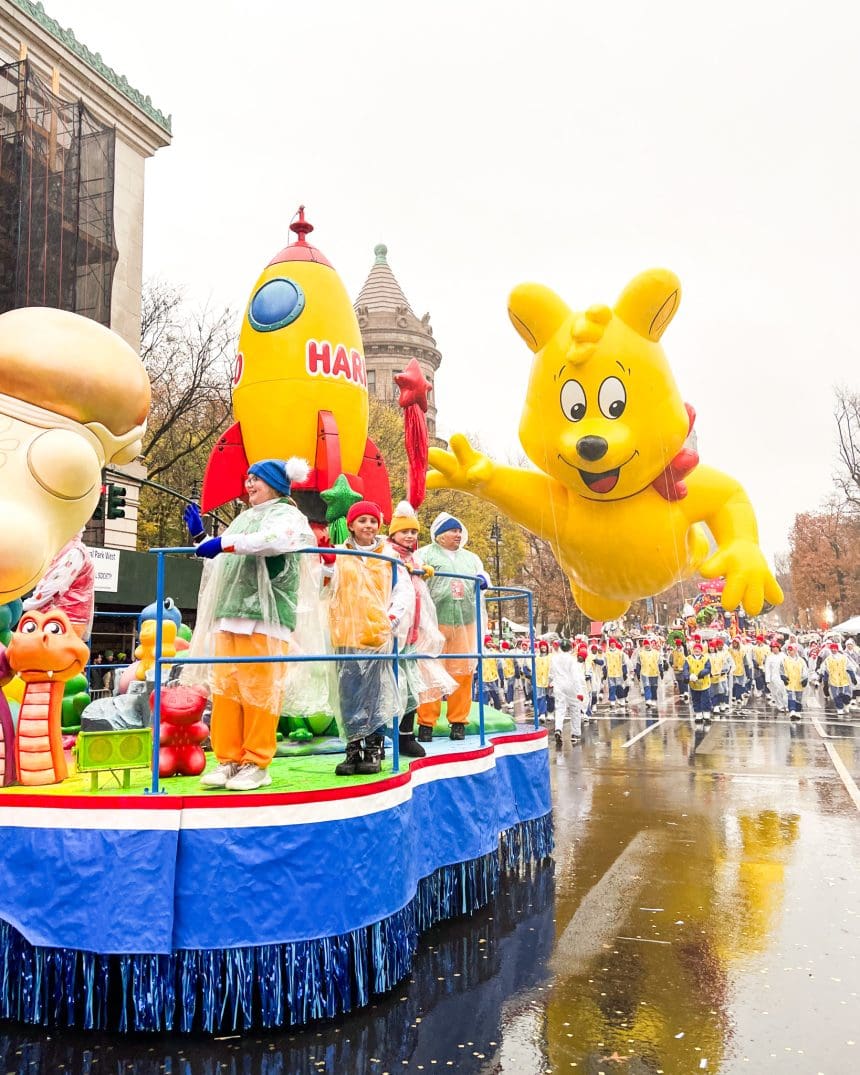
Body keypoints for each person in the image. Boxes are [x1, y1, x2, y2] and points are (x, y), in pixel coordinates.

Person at [183, 458, 318, 791]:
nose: (249, 484)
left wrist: (223, 542)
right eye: (248, 478)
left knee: (259, 693)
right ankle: (228, 759)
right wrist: (202, 537)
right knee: (226, 692)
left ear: (274, 483)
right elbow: (223, 560)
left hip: (265, 619)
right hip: (231, 615)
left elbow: (274, 541)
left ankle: (257, 762)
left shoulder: (288, 515)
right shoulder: (245, 518)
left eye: (256, 478)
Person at [328, 500, 413, 775]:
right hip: (346, 635)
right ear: (351, 525)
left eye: (373, 521)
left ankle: (374, 748)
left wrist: (392, 619)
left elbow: (403, 590)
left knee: (375, 695)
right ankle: (353, 749)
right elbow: (324, 581)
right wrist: (325, 563)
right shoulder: (339, 553)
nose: (368, 525)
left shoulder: (388, 555)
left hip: (375, 635)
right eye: (362, 520)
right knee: (348, 695)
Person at [384, 501, 454, 757]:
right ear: (394, 533)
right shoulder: (387, 553)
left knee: (411, 688)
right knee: (389, 687)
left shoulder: (412, 556)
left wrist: (422, 570)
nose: (410, 536)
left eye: (414, 532)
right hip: (392, 631)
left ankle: (405, 736)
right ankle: (378, 739)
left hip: (411, 632)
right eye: (405, 532)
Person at [416, 514, 490, 742]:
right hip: (434, 623)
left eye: (459, 530)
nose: (458, 534)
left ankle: (458, 721)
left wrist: (484, 579)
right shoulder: (425, 554)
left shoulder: (471, 558)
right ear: (439, 535)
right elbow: (415, 578)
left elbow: (484, 577)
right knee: (429, 672)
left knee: (463, 672)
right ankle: (426, 723)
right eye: (452, 530)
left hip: (465, 622)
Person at [550, 639, 587, 743]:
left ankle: (558, 728)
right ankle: (575, 734)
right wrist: (579, 691)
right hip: (570, 685)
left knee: (560, 708)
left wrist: (552, 682)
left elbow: (551, 672)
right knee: (574, 708)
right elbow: (576, 676)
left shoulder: (554, 658)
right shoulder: (572, 659)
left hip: (558, 685)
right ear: (570, 648)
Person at [820, 642, 856, 717]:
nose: (833, 650)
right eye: (832, 648)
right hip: (833, 681)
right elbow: (825, 670)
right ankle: (840, 708)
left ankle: (846, 703)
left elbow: (849, 667)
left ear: (837, 649)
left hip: (844, 680)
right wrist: (825, 679)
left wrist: (853, 677)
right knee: (836, 695)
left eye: (835, 648)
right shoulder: (828, 659)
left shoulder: (843, 658)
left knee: (846, 695)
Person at [779, 642, 808, 719]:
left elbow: (804, 670)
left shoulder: (801, 661)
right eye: (788, 650)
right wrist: (783, 676)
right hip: (789, 681)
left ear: (795, 651)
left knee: (799, 698)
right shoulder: (785, 660)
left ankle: (798, 711)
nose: (789, 652)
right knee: (790, 696)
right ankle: (792, 710)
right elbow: (781, 669)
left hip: (799, 682)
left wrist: (805, 679)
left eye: (791, 650)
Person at [684, 642, 712, 722]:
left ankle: (706, 713)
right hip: (693, 683)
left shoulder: (706, 658)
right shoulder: (688, 658)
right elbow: (685, 669)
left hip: (704, 683)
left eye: (699, 649)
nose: (697, 650)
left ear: (701, 650)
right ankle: (698, 713)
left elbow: (708, 669)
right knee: (696, 699)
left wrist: (700, 674)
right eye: (695, 649)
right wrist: (687, 676)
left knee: (706, 699)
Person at [636, 638, 661, 709]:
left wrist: (661, 670)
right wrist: (637, 671)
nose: (646, 646)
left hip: (654, 672)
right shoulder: (640, 653)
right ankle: (648, 700)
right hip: (645, 672)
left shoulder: (656, 653)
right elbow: (638, 663)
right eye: (645, 644)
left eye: (648, 644)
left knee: (654, 687)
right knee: (646, 686)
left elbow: (659, 662)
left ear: (650, 645)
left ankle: (654, 699)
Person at [671, 638, 689, 702]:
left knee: (684, 680)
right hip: (676, 669)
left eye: (679, 645)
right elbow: (671, 658)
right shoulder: (673, 651)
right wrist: (671, 664)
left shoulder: (684, 649)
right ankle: (681, 692)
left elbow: (687, 656)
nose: (678, 646)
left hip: (683, 668)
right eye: (677, 645)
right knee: (679, 681)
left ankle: (686, 692)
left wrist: (685, 646)